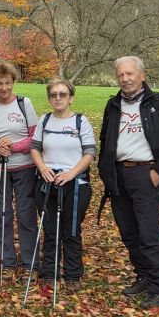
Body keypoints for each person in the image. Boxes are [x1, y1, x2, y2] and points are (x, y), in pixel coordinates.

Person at [99, 56, 159, 309]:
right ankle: (144, 277)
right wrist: (106, 171)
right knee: (128, 232)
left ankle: (158, 288)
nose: (125, 79)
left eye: (130, 74)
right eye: (120, 75)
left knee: (149, 234)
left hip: (146, 174)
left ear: (142, 76)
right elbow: (106, 139)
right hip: (118, 175)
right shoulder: (113, 105)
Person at [30, 78, 95, 291]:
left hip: (75, 183)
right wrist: (42, 168)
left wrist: (72, 173)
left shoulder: (81, 121)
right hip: (47, 182)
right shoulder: (45, 120)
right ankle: (49, 272)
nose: (58, 98)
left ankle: (73, 274)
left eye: (62, 94)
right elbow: (35, 148)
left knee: (71, 230)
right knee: (50, 229)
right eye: (53, 95)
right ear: (49, 98)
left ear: (70, 98)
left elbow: (90, 152)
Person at [0, 62, 38, 276]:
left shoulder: (24, 103)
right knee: (2, 213)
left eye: (8, 83)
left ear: (13, 82)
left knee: (25, 214)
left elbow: (34, 137)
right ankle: (7, 261)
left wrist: (14, 146)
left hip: (24, 167)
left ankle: (30, 262)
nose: (4, 88)